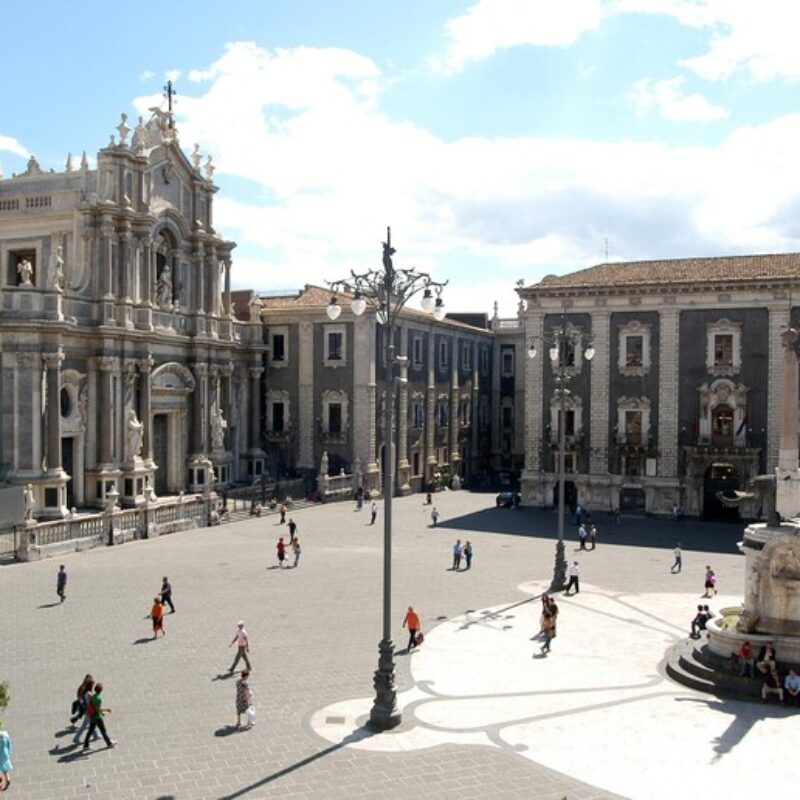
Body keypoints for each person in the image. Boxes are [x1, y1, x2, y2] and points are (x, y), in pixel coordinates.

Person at [82, 682, 116, 750]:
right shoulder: (98, 698)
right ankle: (109, 743)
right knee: (103, 731)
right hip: (97, 717)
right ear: (101, 690)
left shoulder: (93, 696)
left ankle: (86, 745)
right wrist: (106, 710)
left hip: (92, 717)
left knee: (90, 731)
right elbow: (98, 709)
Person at [71, 676, 100, 745]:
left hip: (87, 711)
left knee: (90, 724)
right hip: (89, 712)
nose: (93, 686)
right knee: (85, 725)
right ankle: (76, 738)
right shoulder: (89, 693)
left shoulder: (85, 691)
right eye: (92, 684)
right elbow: (92, 703)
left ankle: (96, 735)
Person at [0, 724, 12, 791]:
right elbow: (9, 745)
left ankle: (2, 783)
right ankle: (7, 779)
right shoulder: (5, 735)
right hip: (4, 754)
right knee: (4, 769)